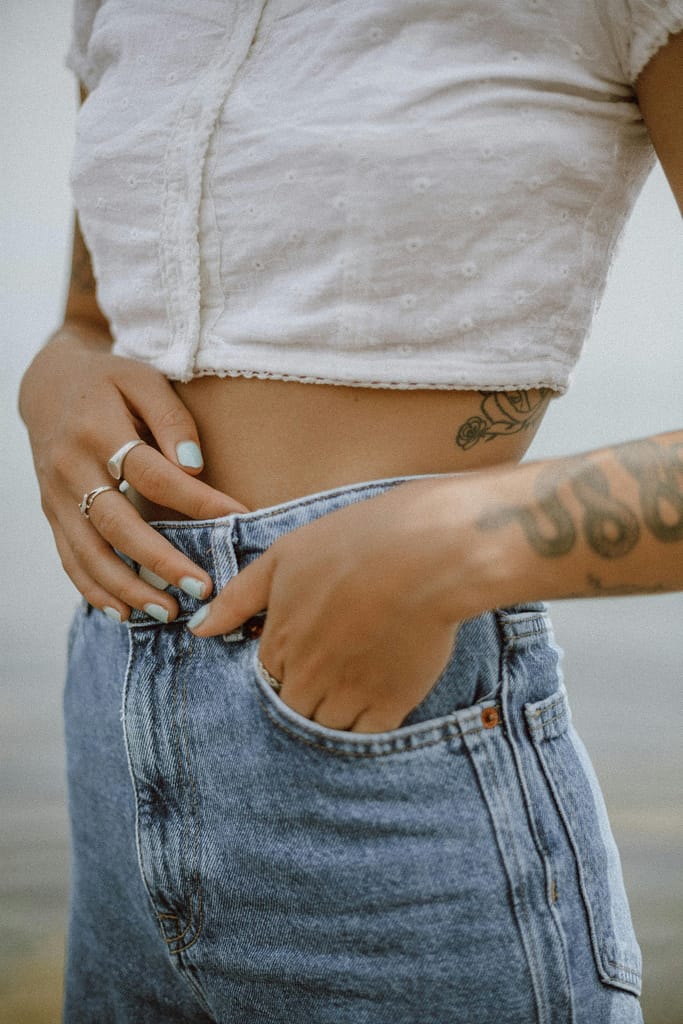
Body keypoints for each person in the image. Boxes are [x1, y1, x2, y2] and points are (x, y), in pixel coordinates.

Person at [19, 1, 682, 1020]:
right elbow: (96, 316)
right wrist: (54, 377)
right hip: (114, 733)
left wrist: (450, 546)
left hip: (392, 786)